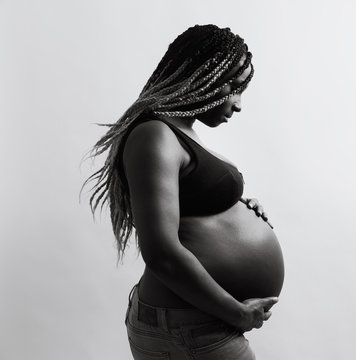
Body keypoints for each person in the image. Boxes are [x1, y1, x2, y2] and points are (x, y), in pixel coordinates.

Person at [84, 25, 285, 360]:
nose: (238, 104)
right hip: (187, 328)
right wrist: (236, 313)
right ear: (201, 74)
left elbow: (189, 207)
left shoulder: (179, 132)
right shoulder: (155, 134)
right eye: (234, 87)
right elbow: (162, 252)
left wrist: (234, 209)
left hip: (195, 326)